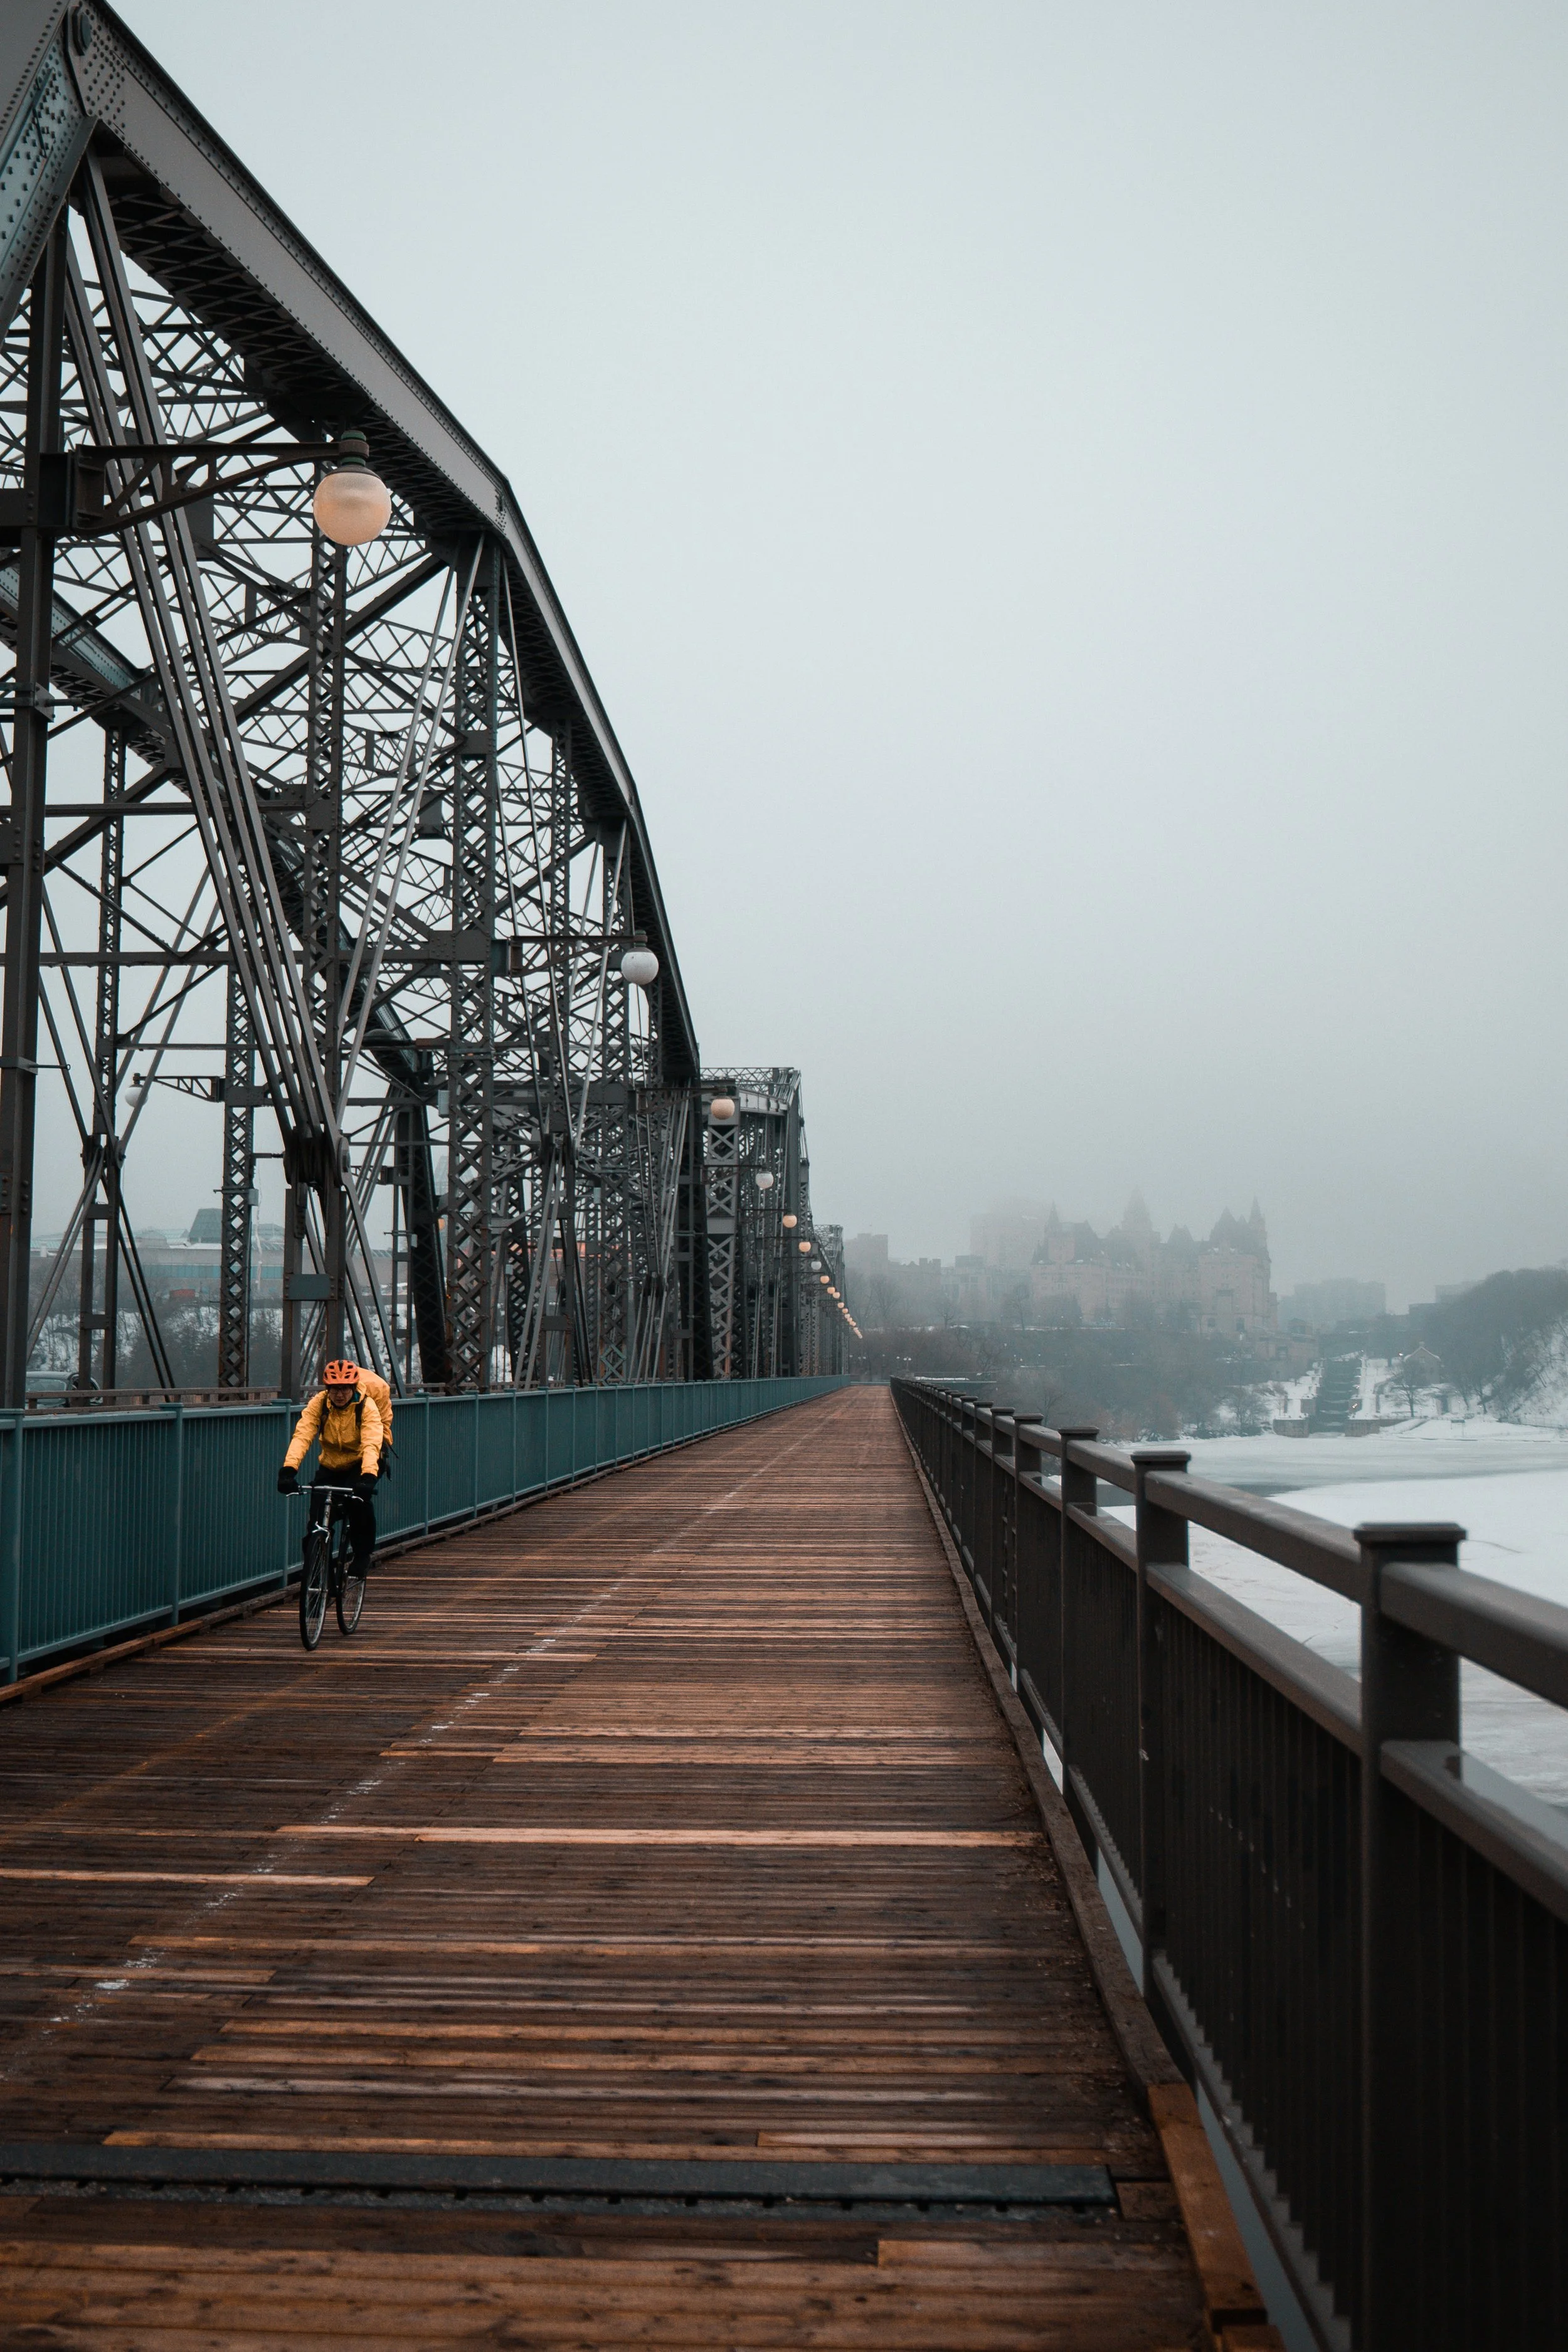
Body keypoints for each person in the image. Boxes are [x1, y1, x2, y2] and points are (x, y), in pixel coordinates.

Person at [277, 1358, 383, 1574]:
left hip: (361, 1462)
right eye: (334, 1389)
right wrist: (289, 1470)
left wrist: (369, 1477)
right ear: (327, 1390)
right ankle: (319, 1569)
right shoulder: (319, 1403)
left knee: (359, 1503)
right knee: (316, 1521)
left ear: (353, 1387)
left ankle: (362, 1556)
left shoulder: (366, 1406)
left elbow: (372, 1442)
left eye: (345, 1389)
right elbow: (303, 1434)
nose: (340, 1394)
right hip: (332, 1464)